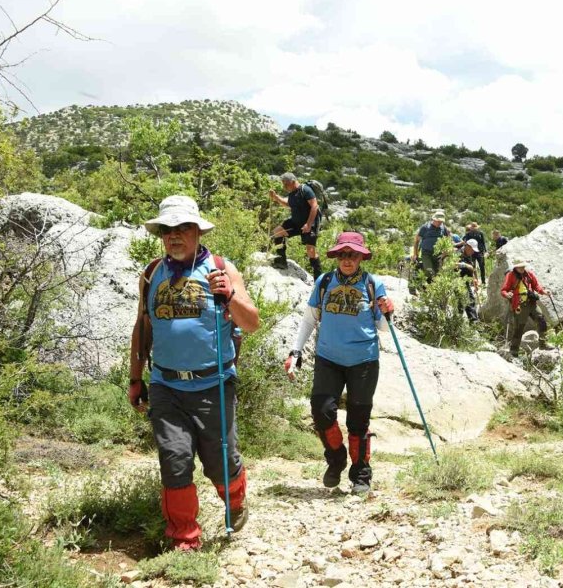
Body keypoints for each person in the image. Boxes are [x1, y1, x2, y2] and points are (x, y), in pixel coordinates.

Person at [129, 195, 261, 551]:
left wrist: (230, 296)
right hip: (165, 385)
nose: (175, 236)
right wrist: (135, 378)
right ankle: (184, 541)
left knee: (220, 462)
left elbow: (250, 323)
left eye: (183, 228)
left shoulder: (220, 268)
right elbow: (143, 327)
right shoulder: (152, 272)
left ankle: (235, 500)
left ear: (197, 231)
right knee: (174, 461)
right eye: (167, 229)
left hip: (212, 384)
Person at [284, 232, 395, 494]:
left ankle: (361, 474)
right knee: (321, 411)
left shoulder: (372, 284)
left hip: (364, 361)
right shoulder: (324, 282)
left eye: (353, 254)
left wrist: (389, 312)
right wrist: (295, 351)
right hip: (328, 359)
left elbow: (383, 327)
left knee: (359, 421)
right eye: (343, 254)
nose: (347, 259)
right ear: (337, 256)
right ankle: (336, 459)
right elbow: (310, 319)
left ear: (360, 257)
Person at [270, 172, 323, 279]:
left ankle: (318, 278)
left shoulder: (306, 190)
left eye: (286, 184)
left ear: (293, 182)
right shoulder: (292, 193)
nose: (284, 187)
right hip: (296, 223)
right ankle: (281, 260)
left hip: (310, 224)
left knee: (311, 250)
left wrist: (308, 225)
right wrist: (276, 197)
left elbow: (314, 207)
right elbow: (288, 204)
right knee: (278, 232)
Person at [500, 259, 551, 356]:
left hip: (531, 302)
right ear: (515, 267)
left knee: (541, 321)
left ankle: (543, 344)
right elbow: (503, 290)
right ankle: (514, 351)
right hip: (519, 305)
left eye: (523, 266)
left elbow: (536, 286)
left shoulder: (529, 274)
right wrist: (507, 295)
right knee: (519, 328)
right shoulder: (510, 275)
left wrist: (544, 292)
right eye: (520, 266)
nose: (522, 268)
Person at [411, 210, 449, 281]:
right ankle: (422, 281)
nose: (439, 223)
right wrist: (415, 254)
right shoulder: (425, 227)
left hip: (438, 254)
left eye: (441, 222)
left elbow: (447, 240)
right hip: (426, 253)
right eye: (438, 221)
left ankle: (427, 289)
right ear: (434, 219)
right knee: (429, 271)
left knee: (438, 274)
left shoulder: (443, 228)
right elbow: (416, 241)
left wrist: (445, 252)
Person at [457, 239, 480, 322]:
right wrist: (465, 265)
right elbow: (452, 264)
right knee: (468, 300)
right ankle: (474, 321)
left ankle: (459, 320)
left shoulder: (470, 255)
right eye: (472, 249)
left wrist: (475, 280)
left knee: (465, 300)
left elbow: (473, 268)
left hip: (466, 280)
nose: (473, 252)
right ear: (467, 246)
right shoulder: (458, 253)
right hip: (457, 279)